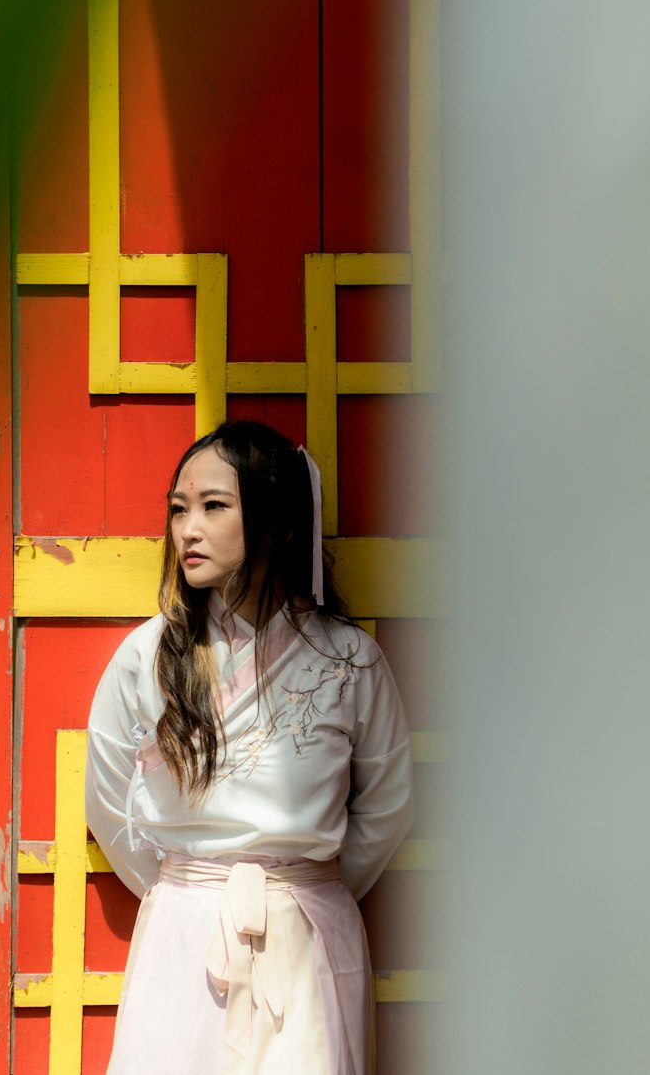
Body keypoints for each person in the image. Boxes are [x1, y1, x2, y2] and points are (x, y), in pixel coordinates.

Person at [85, 420, 414, 1075]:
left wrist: (304, 885)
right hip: (185, 931)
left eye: (213, 506)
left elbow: (389, 803)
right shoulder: (145, 657)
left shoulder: (348, 658)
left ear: (278, 520)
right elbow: (107, 799)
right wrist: (188, 885)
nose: (188, 528)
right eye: (178, 509)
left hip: (304, 932)